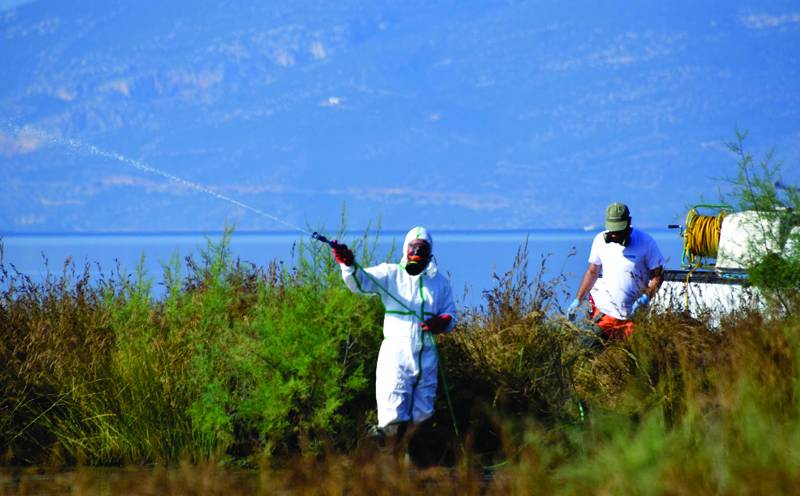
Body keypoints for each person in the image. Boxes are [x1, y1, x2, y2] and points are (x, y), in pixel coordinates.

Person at [330, 226, 457, 443]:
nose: (416, 253)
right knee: (393, 415)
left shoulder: (440, 283)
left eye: (422, 249)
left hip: (427, 356)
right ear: (405, 249)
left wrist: (442, 322)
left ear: (430, 253)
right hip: (396, 355)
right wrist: (349, 264)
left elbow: (450, 314)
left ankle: (418, 471)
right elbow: (361, 282)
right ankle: (385, 470)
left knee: (423, 418)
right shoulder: (391, 273)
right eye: (413, 247)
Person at [568, 202, 665, 340]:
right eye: (612, 230)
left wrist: (646, 297)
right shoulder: (600, 241)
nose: (614, 235)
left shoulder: (645, 242)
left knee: (632, 357)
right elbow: (592, 271)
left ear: (628, 222)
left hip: (633, 318)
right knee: (587, 349)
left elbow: (658, 275)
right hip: (604, 314)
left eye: (618, 231)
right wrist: (577, 300)